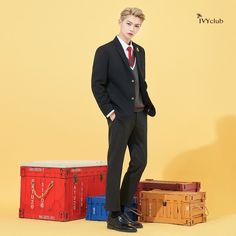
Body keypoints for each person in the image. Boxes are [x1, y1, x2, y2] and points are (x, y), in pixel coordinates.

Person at [91, 7, 156, 233]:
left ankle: (122, 209)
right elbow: (97, 85)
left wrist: (147, 103)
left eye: (137, 26)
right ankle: (113, 216)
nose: (132, 29)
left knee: (140, 161)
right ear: (120, 22)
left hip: (139, 114)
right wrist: (110, 112)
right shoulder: (105, 51)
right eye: (129, 24)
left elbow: (139, 81)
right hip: (119, 116)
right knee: (116, 163)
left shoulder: (140, 51)